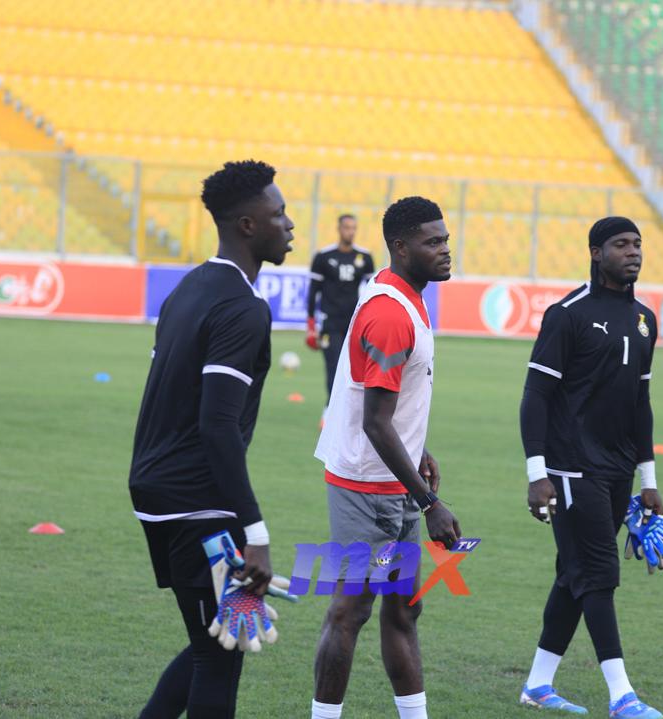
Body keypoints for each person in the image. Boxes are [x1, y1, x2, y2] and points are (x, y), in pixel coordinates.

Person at [128, 159, 294, 718]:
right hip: (198, 503)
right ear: (248, 225)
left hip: (159, 491)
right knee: (221, 657)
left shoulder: (187, 290)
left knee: (212, 643)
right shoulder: (243, 309)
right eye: (279, 213)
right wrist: (256, 533)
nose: (289, 224)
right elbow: (217, 425)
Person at [310, 196, 463, 719]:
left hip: (393, 481)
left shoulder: (407, 296)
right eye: (433, 242)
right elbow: (375, 421)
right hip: (365, 487)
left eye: (445, 239)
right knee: (351, 610)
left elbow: (388, 405)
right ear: (400, 247)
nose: (445, 249)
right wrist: (430, 503)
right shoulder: (391, 312)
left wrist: (418, 450)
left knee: (403, 609)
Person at [521, 216, 663, 718]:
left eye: (637, 244)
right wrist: (537, 473)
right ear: (596, 252)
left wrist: (648, 479)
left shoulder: (645, 319)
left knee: (574, 574)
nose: (633, 252)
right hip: (570, 468)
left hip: (617, 470)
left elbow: (641, 404)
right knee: (599, 574)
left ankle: (537, 685)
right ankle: (622, 695)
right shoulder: (568, 314)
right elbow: (536, 396)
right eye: (621, 244)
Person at [306, 214, 375, 405]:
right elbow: (313, 292)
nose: (350, 232)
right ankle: (330, 409)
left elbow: (372, 291)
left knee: (355, 369)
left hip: (355, 323)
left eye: (353, 228)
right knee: (334, 367)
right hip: (330, 322)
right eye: (347, 227)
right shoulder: (323, 256)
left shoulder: (365, 257)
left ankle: (351, 410)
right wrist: (311, 325)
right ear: (339, 229)